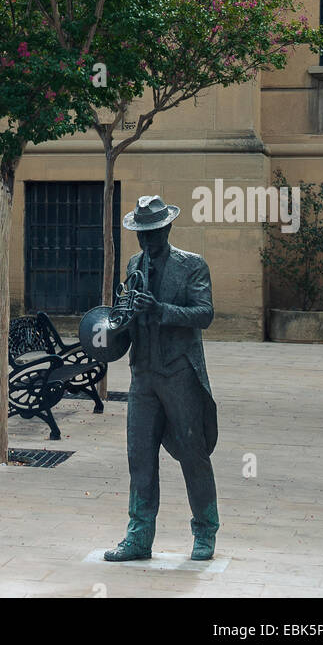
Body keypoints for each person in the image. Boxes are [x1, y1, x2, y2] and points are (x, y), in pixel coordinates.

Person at [104, 194, 219, 562]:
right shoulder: (135, 264)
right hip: (143, 375)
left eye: (153, 233)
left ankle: (205, 530)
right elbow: (124, 313)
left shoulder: (192, 265)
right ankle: (138, 538)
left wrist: (162, 309)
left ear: (167, 228)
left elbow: (204, 314)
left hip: (179, 372)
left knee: (193, 453)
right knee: (139, 458)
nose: (147, 241)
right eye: (142, 234)